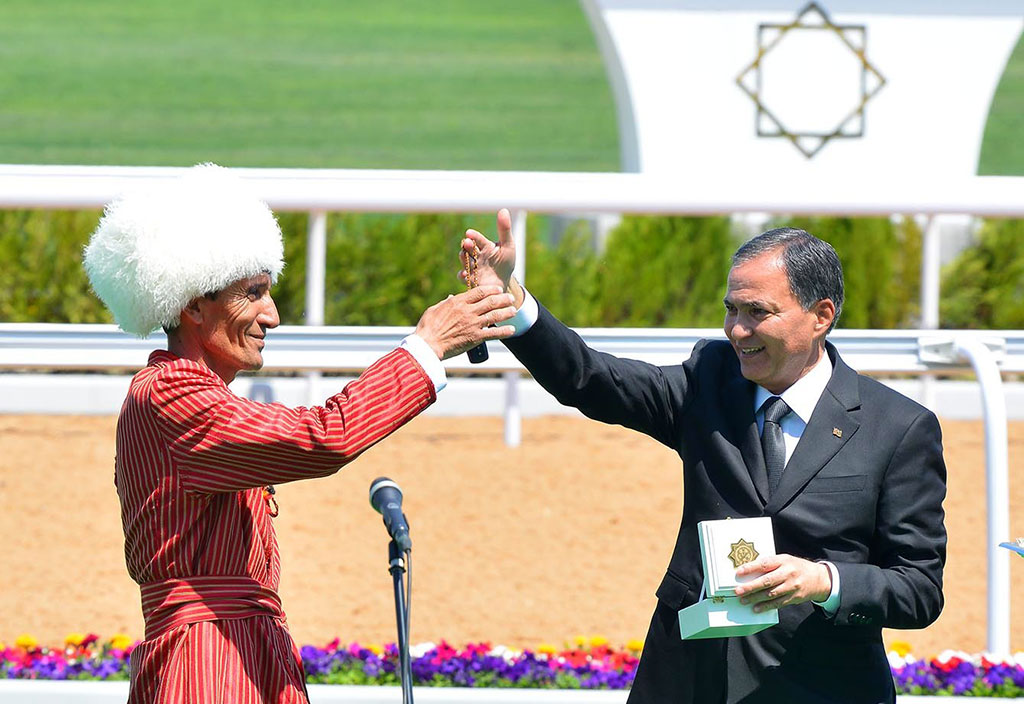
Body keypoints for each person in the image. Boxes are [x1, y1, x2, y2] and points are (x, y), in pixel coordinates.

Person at [463, 210, 947, 704]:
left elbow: (919, 590)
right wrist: (513, 303)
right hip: (687, 681)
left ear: (821, 315)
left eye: (757, 312)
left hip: (822, 686)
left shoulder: (900, 428)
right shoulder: (708, 381)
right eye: (731, 309)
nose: (737, 330)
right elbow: (591, 379)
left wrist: (823, 581)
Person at [83, 164, 518, 704]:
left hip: (243, 653)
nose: (274, 315)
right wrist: (427, 345)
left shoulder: (194, 395)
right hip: (207, 663)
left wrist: (500, 303)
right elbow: (327, 437)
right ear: (193, 305)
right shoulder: (170, 394)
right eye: (254, 292)